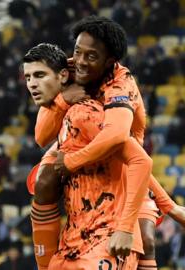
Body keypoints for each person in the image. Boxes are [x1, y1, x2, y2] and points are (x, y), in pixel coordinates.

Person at [28, 17, 185, 270]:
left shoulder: (121, 84)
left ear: (109, 62)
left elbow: (117, 138)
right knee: (43, 180)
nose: (80, 61)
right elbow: (41, 136)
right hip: (80, 140)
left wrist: (70, 161)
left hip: (119, 164)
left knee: (145, 238)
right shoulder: (72, 70)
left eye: (91, 56)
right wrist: (62, 100)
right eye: (78, 51)